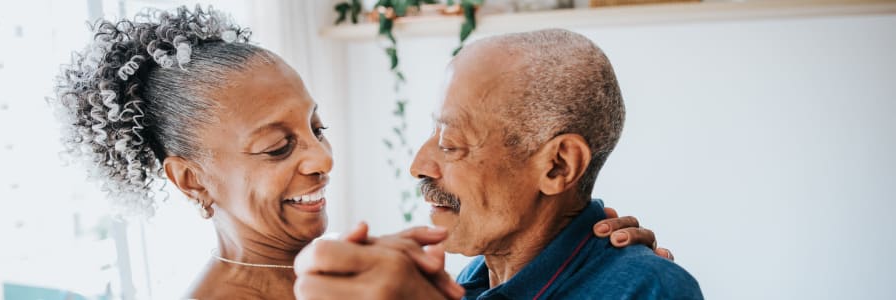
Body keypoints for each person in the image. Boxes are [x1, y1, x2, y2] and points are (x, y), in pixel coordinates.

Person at [53, 6, 668, 299]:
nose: (321, 158)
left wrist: (590, 254)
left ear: (558, 167)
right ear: (191, 180)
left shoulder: (362, 270)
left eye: (317, 127)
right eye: (277, 146)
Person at [294, 29, 703, 299]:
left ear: (558, 166)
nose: (419, 165)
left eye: (451, 143)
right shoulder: (468, 281)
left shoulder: (648, 290)